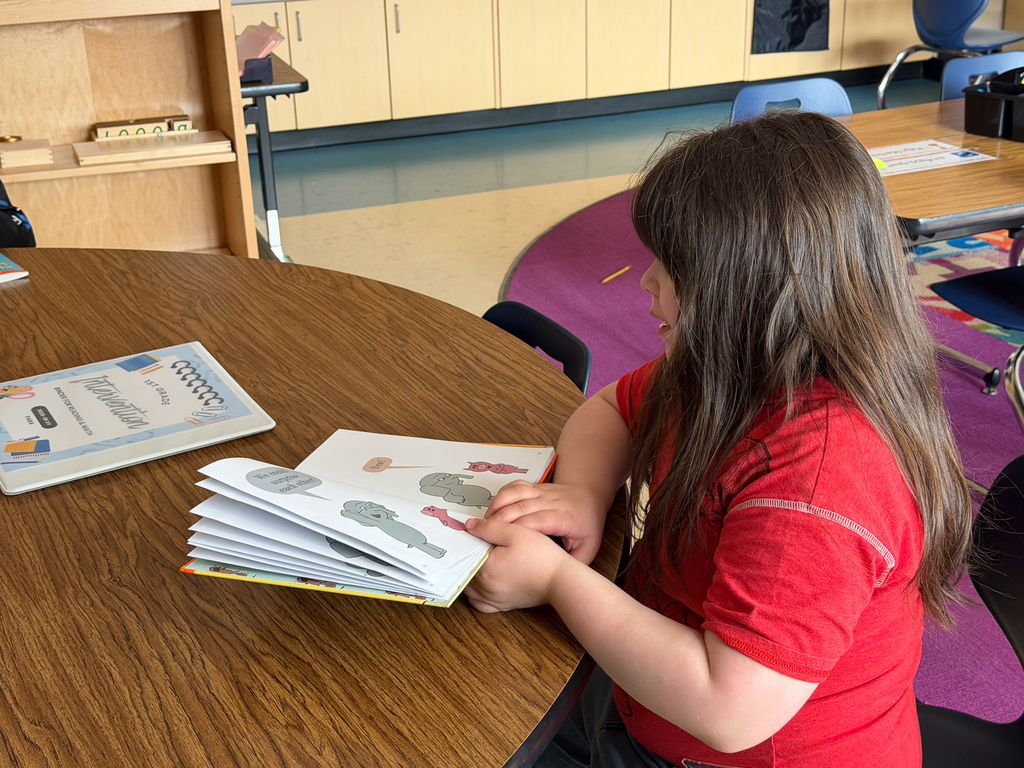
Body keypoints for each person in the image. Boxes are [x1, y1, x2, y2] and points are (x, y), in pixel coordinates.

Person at [464, 111, 972, 767]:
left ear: (754, 291)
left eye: (671, 267)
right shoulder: (725, 366)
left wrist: (559, 581)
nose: (645, 283)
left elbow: (728, 710)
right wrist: (586, 494)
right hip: (647, 709)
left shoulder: (822, 480)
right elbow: (611, 411)